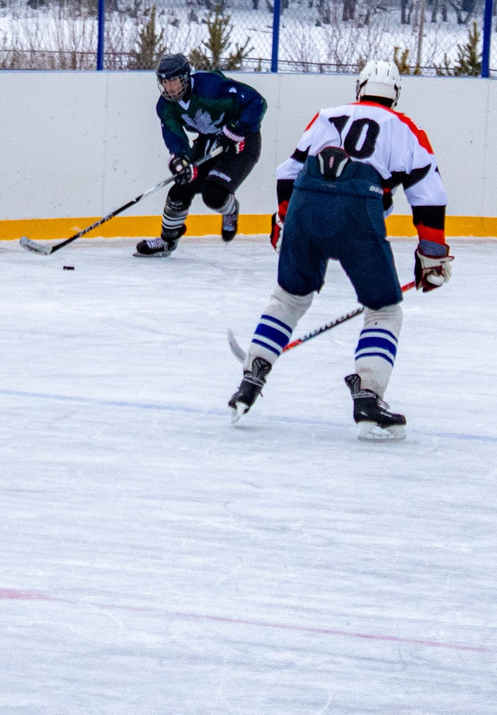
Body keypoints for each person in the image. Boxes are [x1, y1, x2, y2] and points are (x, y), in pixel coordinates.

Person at [229, 60, 451, 438]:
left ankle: (251, 377)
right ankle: (368, 394)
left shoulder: (327, 116)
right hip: (358, 212)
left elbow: (287, 172)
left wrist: (283, 220)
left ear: (359, 88)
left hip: (305, 204)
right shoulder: (407, 128)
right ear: (395, 95)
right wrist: (432, 254)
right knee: (383, 310)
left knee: (288, 299)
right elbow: (428, 195)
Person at [135, 52, 269, 256]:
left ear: (186, 77)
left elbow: (257, 102)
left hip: (241, 142)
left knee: (214, 195)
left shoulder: (212, 87)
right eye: (165, 82)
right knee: (179, 190)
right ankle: (167, 242)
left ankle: (230, 209)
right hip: (210, 141)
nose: (169, 87)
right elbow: (174, 135)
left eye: (174, 81)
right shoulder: (165, 106)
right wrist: (180, 159)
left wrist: (236, 128)